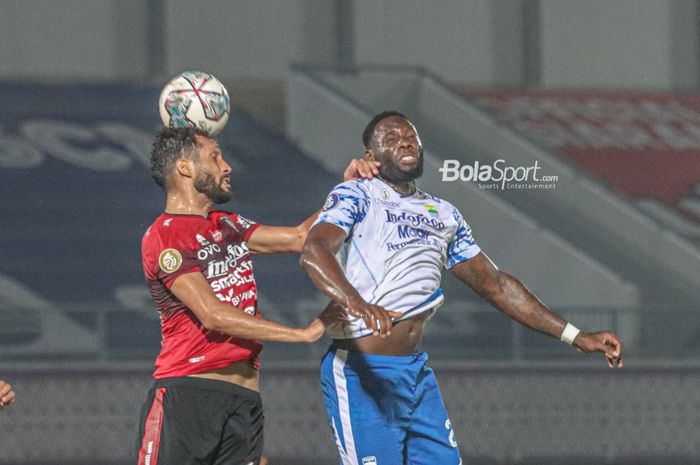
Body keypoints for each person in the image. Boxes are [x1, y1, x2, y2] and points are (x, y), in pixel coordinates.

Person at [299, 111, 624, 465]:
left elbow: (496, 285)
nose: (405, 141)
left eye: (411, 136)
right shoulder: (357, 193)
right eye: (391, 139)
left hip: (414, 374)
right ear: (370, 156)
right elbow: (314, 252)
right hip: (362, 371)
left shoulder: (443, 214)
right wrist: (355, 303)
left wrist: (576, 336)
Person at [135, 127, 377, 465]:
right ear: (185, 168)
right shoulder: (165, 235)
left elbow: (300, 237)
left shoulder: (228, 224)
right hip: (187, 396)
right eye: (215, 157)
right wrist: (300, 334)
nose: (227, 165)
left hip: (244, 401)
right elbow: (212, 314)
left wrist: (348, 187)